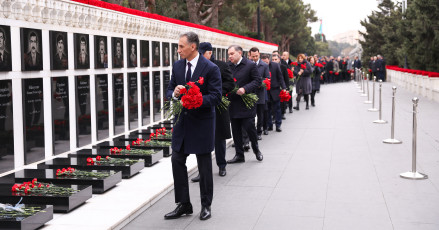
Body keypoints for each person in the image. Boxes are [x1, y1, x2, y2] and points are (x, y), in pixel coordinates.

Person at [164, 32, 222, 221]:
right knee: (177, 160)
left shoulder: (210, 68)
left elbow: (216, 96)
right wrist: (175, 93)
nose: (178, 50)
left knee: (204, 165)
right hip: (182, 123)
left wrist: (195, 100)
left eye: (181, 46)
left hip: (202, 123)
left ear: (193, 47)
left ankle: (206, 205)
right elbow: (169, 88)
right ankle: (184, 204)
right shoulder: (178, 65)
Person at [191, 42, 234, 182]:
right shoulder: (197, 67)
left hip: (218, 106)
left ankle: (222, 165)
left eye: (202, 53)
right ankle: (202, 171)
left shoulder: (221, 66)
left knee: (219, 138)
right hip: (201, 107)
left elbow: (230, 83)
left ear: (209, 52)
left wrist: (218, 93)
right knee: (201, 139)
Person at [226, 45, 263, 164]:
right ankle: (239, 155)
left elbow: (257, 81)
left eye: (232, 54)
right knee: (235, 131)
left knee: (250, 128)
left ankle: (256, 150)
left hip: (246, 104)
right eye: (229, 54)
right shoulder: (228, 66)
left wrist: (245, 89)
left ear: (240, 53)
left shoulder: (250, 65)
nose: (230, 56)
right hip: (233, 103)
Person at [249, 47, 269, 139]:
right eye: (253, 56)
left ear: (259, 54)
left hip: (260, 93)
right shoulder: (248, 64)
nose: (255, 58)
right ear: (250, 55)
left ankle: (259, 132)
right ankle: (251, 133)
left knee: (260, 114)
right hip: (250, 93)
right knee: (251, 115)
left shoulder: (264, 65)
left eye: (256, 56)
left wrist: (260, 82)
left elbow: (267, 78)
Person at [266, 54, 286, 131]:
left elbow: (280, 77)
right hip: (266, 91)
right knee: (267, 109)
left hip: (275, 90)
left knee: (277, 108)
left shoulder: (275, 65)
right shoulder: (262, 66)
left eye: (267, 61)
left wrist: (284, 87)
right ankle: (269, 125)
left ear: (269, 60)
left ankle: (278, 125)